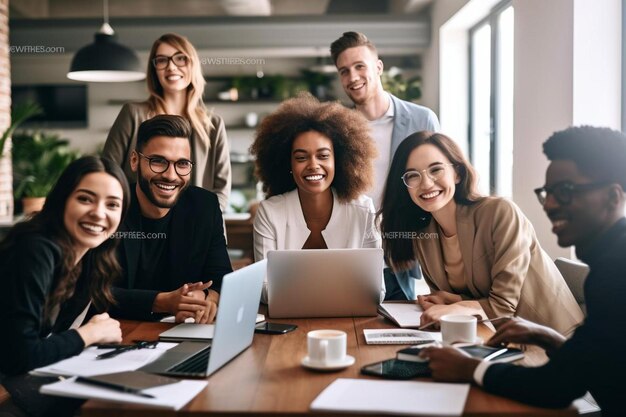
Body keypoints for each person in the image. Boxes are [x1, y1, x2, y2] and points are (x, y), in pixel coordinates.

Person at [421, 126, 626, 416]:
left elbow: (558, 387)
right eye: (548, 193)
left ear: (613, 197)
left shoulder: (615, 272)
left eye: (565, 192)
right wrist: (547, 337)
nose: (550, 205)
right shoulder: (610, 261)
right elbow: (598, 360)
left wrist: (470, 368)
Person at [379, 131, 583, 335]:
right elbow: (476, 301)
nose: (426, 183)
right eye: (413, 175)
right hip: (489, 338)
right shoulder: (424, 236)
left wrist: (456, 307)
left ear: (457, 173)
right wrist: (453, 301)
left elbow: (503, 306)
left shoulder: (500, 213)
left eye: (436, 170)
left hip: (552, 341)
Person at [0, 156, 130, 417]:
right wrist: (89, 335)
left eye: (112, 204)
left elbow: (110, 297)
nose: (99, 212)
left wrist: (163, 301)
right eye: (85, 199)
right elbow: (20, 355)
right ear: (62, 201)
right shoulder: (37, 249)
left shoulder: (89, 254)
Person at [331, 31, 440, 300]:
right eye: (344, 71)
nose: (352, 77)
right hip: (350, 254)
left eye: (359, 66)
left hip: (402, 256)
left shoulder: (421, 119)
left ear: (378, 67)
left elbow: (440, 185)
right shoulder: (336, 128)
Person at [250, 93, 381, 302]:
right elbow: (264, 288)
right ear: (288, 165)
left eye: (323, 156)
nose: (313, 165)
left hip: (349, 321)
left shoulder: (363, 211)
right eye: (301, 157)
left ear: (341, 160)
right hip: (287, 324)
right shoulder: (270, 213)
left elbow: (376, 291)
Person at [109, 114, 232, 324]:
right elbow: (92, 292)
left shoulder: (204, 206)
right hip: (118, 333)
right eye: (158, 162)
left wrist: (205, 299)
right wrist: (162, 302)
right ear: (135, 161)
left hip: (184, 334)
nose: (171, 175)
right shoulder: (110, 209)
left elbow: (222, 278)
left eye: (182, 164)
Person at [103, 32, 231, 212]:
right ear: (154, 69)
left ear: (192, 64)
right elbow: (108, 173)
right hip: (140, 226)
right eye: (162, 60)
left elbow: (222, 189)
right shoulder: (133, 114)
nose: (171, 67)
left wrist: (203, 223)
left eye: (180, 58)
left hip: (197, 230)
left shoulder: (213, 124)